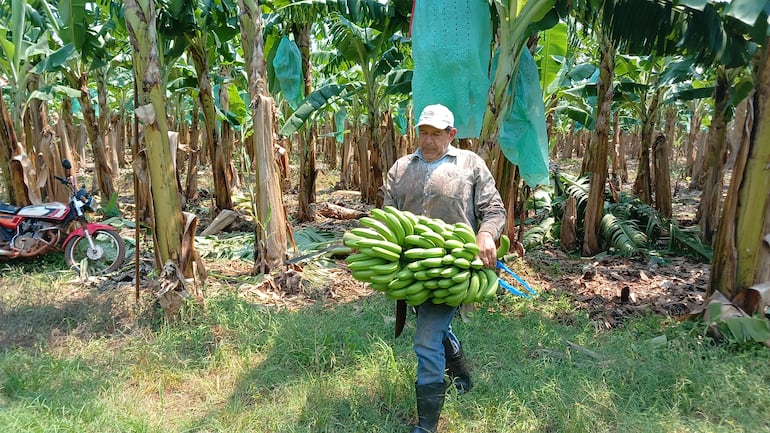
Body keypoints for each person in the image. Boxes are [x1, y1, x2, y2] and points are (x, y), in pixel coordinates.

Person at [383, 104, 507, 433]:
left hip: (454, 269)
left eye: (435, 134)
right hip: (412, 270)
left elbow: (495, 210)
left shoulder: (470, 166)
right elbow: (386, 218)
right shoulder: (400, 169)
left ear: (451, 134)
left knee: (425, 340)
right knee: (434, 328)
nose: (427, 140)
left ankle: (426, 426)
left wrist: (485, 235)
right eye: (423, 132)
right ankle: (461, 376)